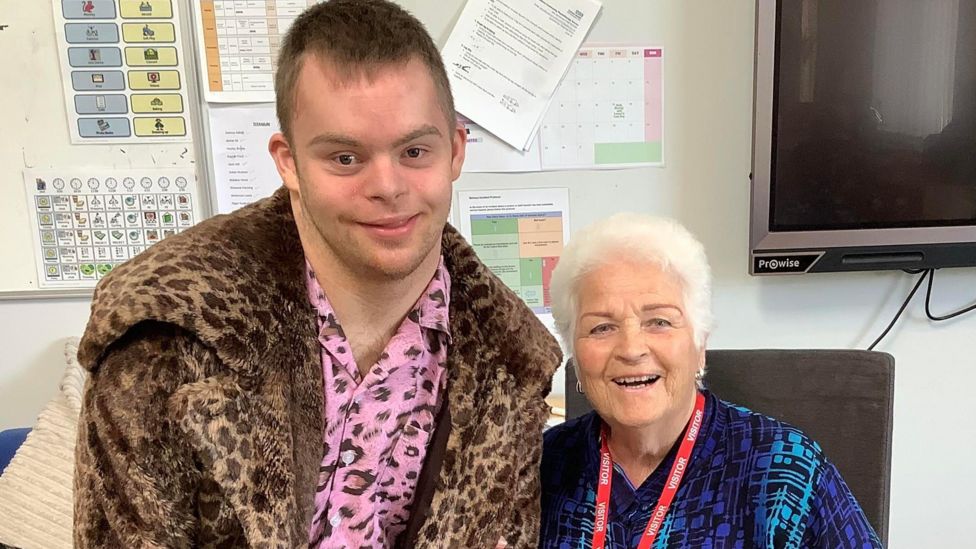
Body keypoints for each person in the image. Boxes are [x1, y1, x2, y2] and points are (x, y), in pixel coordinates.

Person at [73, 1, 561, 547]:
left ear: (454, 152)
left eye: (415, 150)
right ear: (288, 162)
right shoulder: (167, 339)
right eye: (345, 158)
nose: (388, 186)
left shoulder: (510, 366)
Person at [540, 213, 882, 548]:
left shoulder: (783, 468)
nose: (631, 349)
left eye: (659, 321)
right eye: (601, 327)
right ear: (576, 355)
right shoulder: (539, 467)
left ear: (700, 344)